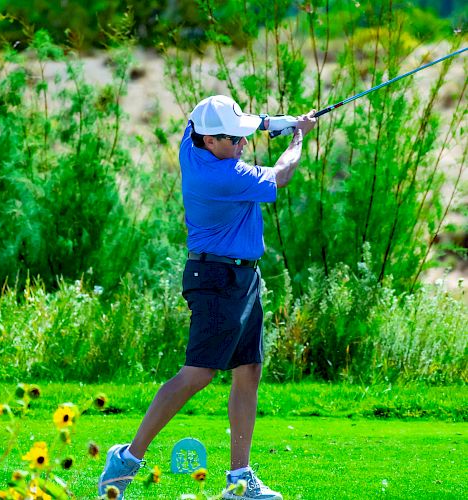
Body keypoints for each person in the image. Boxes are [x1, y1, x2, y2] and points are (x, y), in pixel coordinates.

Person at [98, 95, 317, 499]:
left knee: (248, 369)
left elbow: (246, 124)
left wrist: (278, 121)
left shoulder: (192, 139)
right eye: (234, 140)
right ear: (212, 141)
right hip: (215, 276)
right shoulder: (223, 176)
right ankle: (127, 457)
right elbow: (282, 176)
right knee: (198, 374)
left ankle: (239, 480)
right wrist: (297, 137)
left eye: (242, 137)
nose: (243, 144)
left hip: (243, 276)